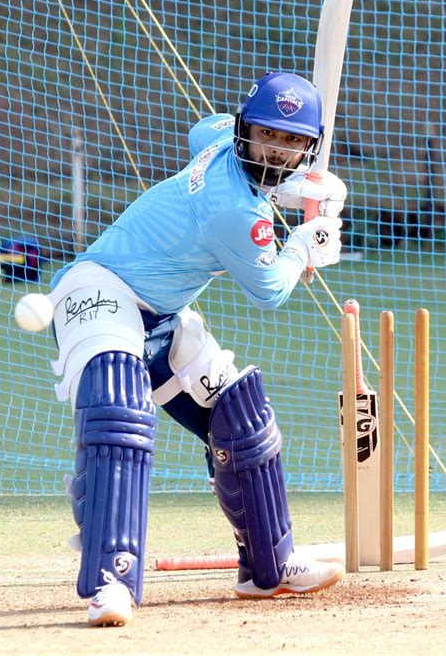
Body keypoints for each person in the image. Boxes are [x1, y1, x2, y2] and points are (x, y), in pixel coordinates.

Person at [47, 71, 347, 627]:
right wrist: (305, 245)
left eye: (290, 141)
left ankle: (268, 567)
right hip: (100, 288)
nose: (276, 148)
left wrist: (292, 189)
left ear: (309, 147)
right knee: (121, 405)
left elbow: (198, 130)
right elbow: (271, 291)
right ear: (244, 131)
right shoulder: (239, 214)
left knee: (240, 414)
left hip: (161, 311)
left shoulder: (217, 140)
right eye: (266, 135)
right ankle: (111, 582)